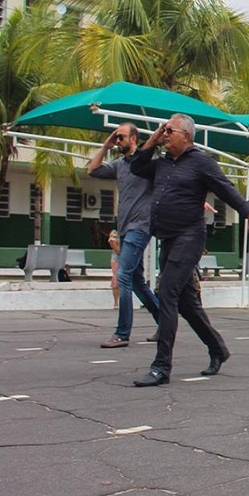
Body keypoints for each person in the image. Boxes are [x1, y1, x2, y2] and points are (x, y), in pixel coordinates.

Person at [129, 114, 249, 386]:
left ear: (187, 135)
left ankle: (161, 367)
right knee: (185, 303)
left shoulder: (202, 162)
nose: (165, 134)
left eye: (170, 130)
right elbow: (136, 166)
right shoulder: (161, 164)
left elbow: (229, 192)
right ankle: (217, 348)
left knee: (166, 292)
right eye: (164, 130)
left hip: (190, 236)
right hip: (168, 238)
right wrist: (153, 139)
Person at [87, 122, 160, 348]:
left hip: (141, 227)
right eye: (116, 137)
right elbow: (92, 170)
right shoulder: (119, 165)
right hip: (125, 228)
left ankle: (122, 333)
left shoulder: (147, 163)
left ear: (134, 139)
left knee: (124, 276)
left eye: (121, 137)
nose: (118, 141)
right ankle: (166, 322)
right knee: (137, 281)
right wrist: (106, 146)